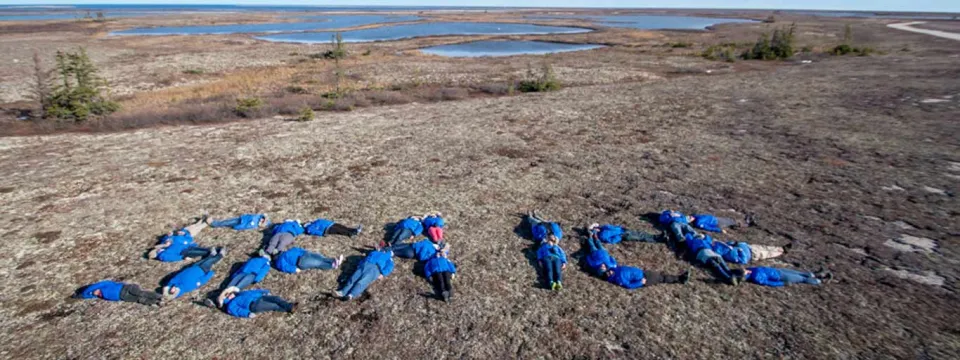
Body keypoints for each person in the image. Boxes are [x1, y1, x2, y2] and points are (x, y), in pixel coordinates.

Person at [148, 216, 217, 262]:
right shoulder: (164, 256)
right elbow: (174, 257)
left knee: (194, 226)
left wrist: (169, 237)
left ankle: (204, 220)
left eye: (157, 249)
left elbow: (167, 237)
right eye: (158, 250)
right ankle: (206, 222)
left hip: (182, 234)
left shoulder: (164, 244)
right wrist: (182, 258)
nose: (159, 249)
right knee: (196, 229)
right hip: (185, 241)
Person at [217, 288, 296, 318]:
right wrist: (247, 314)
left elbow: (253, 291)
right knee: (274, 306)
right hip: (254, 305)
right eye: (227, 296)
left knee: (276, 298)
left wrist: (264, 291)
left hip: (259, 297)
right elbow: (238, 311)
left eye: (229, 293)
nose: (230, 295)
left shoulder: (241, 293)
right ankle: (290, 308)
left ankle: (289, 306)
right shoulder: (231, 304)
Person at [74, 280, 162, 306]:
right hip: (122, 297)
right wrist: (81, 296)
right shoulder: (101, 295)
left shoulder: (104, 285)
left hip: (125, 288)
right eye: (94, 294)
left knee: (141, 293)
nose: (95, 293)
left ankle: (159, 296)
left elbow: (94, 287)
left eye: (94, 291)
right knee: (139, 299)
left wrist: (83, 294)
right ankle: (156, 301)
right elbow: (89, 295)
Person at [604, 266, 691, 289]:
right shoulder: (619, 279)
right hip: (644, 279)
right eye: (609, 274)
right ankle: (680, 279)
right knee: (662, 278)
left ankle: (679, 278)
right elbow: (628, 285)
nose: (609, 272)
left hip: (644, 272)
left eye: (608, 271)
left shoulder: (615, 269)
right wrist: (640, 282)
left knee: (661, 275)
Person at [273, 247, 343, 274]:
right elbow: (285, 267)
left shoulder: (286, 251)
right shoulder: (279, 261)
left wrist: (305, 251)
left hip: (305, 254)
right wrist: (294, 269)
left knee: (320, 257)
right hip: (300, 261)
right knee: (318, 263)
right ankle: (332, 265)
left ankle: (334, 261)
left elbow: (297, 249)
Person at [737, 267, 832, 287]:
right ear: (745, 274)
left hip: (778, 270)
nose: (746, 269)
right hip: (781, 277)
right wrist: (782, 283)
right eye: (745, 271)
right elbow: (769, 283)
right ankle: (820, 281)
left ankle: (815, 274)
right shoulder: (756, 277)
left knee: (798, 273)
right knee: (801, 279)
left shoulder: (752, 270)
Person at [711, 241, 786, 265]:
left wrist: (737, 243)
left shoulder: (721, 246)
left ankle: (781, 248)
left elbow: (729, 243)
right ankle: (781, 252)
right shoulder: (729, 256)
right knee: (767, 253)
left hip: (749, 247)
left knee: (765, 247)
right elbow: (743, 260)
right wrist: (741, 251)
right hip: (752, 254)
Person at [587, 223, 664, 244]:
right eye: (594, 229)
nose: (596, 228)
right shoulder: (602, 236)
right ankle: (659, 240)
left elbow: (613, 227)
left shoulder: (604, 227)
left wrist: (620, 228)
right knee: (642, 238)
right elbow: (612, 241)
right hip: (624, 235)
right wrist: (620, 236)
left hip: (624, 230)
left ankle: (657, 237)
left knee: (642, 234)